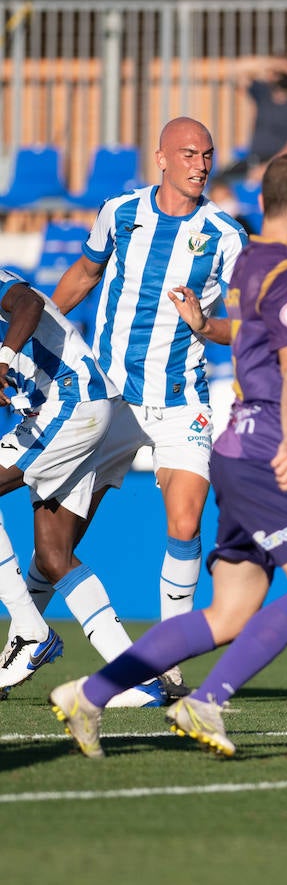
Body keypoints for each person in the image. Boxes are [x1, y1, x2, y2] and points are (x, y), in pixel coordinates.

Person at [50, 152, 287, 759]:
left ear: (263, 204)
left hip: (235, 445)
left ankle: (91, 694)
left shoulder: (252, 261)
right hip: (268, 448)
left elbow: (261, 333)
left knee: (231, 612)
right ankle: (205, 701)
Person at [52, 116, 248, 699]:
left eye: (208, 155)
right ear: (161, 158)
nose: (201, 164)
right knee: (61, 534)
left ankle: (168, 651)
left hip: (180, 400)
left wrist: (206, 324)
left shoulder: (225, 234)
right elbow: (85, 275)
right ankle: (23, 641)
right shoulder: (120, 212)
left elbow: (248, 326)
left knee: (187, 520)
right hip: (108, 398)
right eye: (188, 153)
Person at [0, 269, 159, 707]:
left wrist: (3, 358)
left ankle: (31, 631)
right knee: (53, 557)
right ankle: (138, 679)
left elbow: (29, 303)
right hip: (62, 412)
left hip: (71, 403)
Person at [219, 55, 287, 182]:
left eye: (285, 71)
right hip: (253, 160)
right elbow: (237, 72)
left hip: (282, 164)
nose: (280, 75)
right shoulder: (263, 93)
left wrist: (270, 166)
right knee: (219, 182)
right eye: (277, 72)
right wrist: (267, 64)